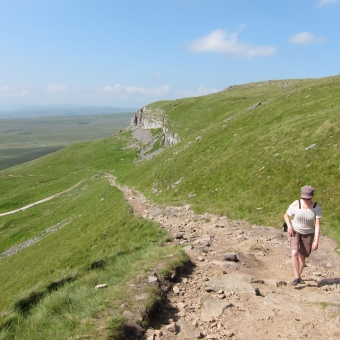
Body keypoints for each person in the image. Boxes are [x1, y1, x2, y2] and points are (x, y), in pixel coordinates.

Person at [284, 185, 322, 285]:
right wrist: (289, 226)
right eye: (304, 198)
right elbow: (286, 215)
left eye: (308, 198)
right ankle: (297, 278)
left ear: (311, 197)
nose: (305, 200)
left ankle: (298, 276)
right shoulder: (296, 204)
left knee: (303, 256)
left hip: (308, 233)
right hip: (295, 231)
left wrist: (316, 240)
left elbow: (317, 225)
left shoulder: (316, 207)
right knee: (294, 252)